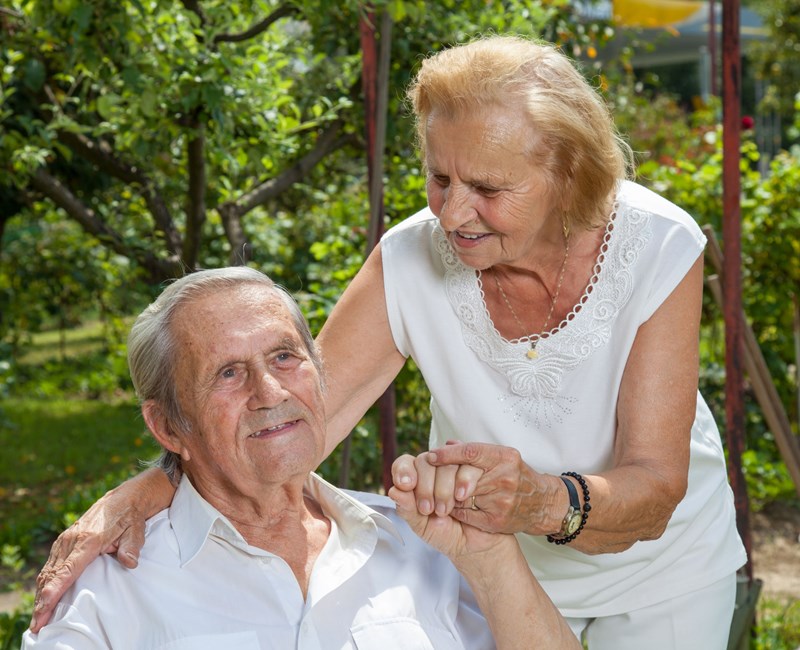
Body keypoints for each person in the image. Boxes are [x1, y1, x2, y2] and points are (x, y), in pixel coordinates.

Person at [32, 35, 746, 648]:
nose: (454, 212)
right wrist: (144, 488)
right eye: (439, 178)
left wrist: (530, 501)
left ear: (568, 174)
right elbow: (293, 417)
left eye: (488, 188)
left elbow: (654, 488)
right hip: (485, 564)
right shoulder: (411, 257)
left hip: (660, 569)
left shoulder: (657, 243)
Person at [23, 266, 579, 649]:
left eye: (286, 357)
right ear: (169, 426)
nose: (270, 392)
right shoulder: (109, 585)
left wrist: (490, 558)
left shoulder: (417, 542)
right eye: (228, 373)